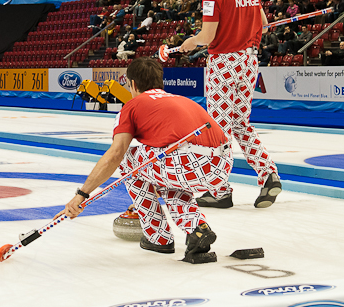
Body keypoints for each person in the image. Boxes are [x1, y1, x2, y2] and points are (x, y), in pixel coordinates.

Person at [60, 58, 232, 262]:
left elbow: (116, 155)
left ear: (132, 84)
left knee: (129, 159)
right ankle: (196, 228)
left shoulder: (132, 106)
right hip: (222, 167)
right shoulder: (181, 99)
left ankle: (157, 236)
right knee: (169, 181)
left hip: (186, 164)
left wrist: (82, 194)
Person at [180, 0, 281, 208]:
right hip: (248, 62)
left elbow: (207, 36)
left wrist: (190, 42)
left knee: (219, 127)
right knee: (240, 123)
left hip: (223, 62)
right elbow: (264, 24)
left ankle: (220, 190)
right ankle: (268, 173)